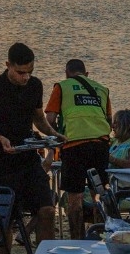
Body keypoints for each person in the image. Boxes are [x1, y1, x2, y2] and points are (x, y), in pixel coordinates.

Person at [0, 42, 65, 244]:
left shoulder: (35, 85)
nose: (26, 77)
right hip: (1, 162)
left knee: (47, 209)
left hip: (28, 158)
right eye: (21, 72)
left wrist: (54, 134)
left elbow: (38, 118)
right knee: (5, 218)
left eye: (30, 72)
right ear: (8, 65)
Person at [44, 59, 112, 241]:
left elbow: (49, 120)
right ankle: (100, 237)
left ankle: (78, 240)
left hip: (74, 145)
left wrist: (51, 137)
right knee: (98, 194)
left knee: (75, 198)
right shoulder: (102, 89)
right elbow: (109, 121)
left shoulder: (62, 87)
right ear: (86, 74)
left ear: (66, 73)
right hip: (100, 145)